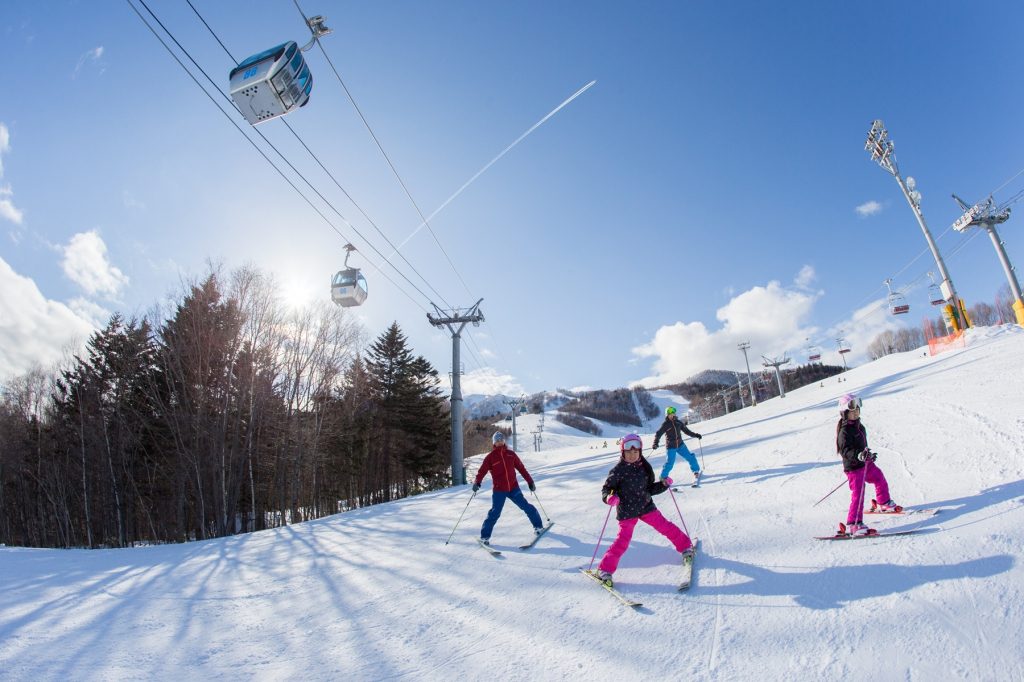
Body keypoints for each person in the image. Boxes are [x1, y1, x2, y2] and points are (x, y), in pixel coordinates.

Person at [595, 433, 693, 585]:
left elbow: (650, 489)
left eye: (636, 452)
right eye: (629, 452)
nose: (633, 455)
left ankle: (686, 546)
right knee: (623, 541)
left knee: (665, 527)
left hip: (646, 507)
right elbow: (606, 489)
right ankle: (605, 570)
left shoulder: (645, 468)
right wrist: (609, 497)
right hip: (627, 512)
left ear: (640, 451)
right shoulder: (617, 471)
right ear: (623, 452)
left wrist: (663, 485)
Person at [836, 394, 901, 536]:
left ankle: (883, 502)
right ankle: (854, 524)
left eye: (857, 410)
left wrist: (867, 455)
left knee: (879, 477)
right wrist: (858, 455)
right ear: (844, 413)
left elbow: (862, 446)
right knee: (858, 493)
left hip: (865, 464)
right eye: (852, 411)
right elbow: (845, 450)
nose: (856, 413)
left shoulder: (860, 426)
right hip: (854, 467)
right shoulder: (844, 431)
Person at [473, 431, 544, 544]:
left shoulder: (511, 455)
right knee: (495, 513)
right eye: (497, 440)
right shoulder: (490, 458)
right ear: (494, 443)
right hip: (499, 490)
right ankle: (484, 537)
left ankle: (538, 526)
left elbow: (522, 469)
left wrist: (530, 481)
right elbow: (482, 471)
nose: (499, 442)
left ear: (504, 441)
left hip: (513, 487)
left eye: (501, 440)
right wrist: (477, 482)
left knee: (526, 506)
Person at [652, 406, 703, 483]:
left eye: (673, 413)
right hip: (671, 447)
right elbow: (658, 434)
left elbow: (687, 431)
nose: (672, 415)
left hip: (680, 445)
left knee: (690, 457)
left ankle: (696, 471)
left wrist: (695, 435)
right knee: (670, 463)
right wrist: (655, 443)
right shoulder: (665, 424)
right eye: (670, 414)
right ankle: (663, 477)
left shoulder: (678, 423)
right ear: (667, 415)